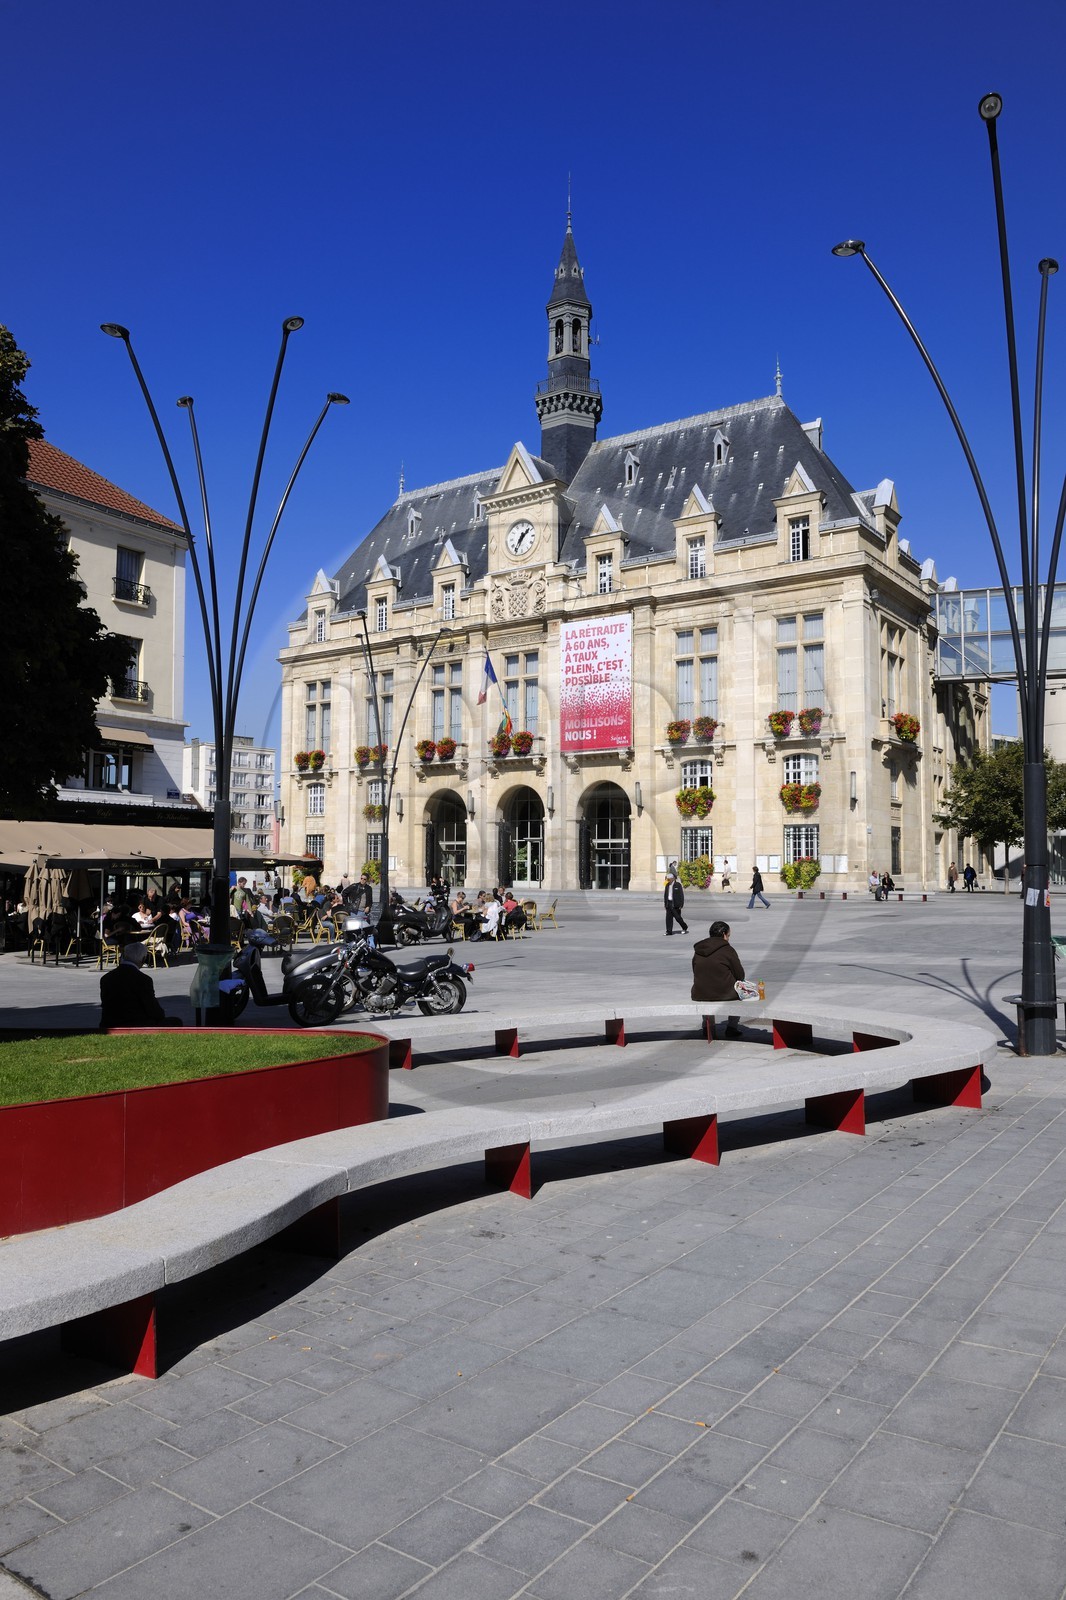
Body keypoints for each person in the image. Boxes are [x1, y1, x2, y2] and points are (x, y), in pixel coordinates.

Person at [100, 940, 183, 1029]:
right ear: (143, 959)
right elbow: (154, 1010)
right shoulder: (143, 979)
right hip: (136, 1024)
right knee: (176, 1021)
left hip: (109, 1024)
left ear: (123, 956)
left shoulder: (106, 978)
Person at [690, 919, 746, 1038]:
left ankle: (707, 1027)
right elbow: (740, 974)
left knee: (705, 990)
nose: (729, 938)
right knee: (740, 989)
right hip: (726, 993)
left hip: (700, 993)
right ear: (724, 935)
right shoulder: (728, 950)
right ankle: (732, 1027)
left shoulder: (698, 950)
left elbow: (695, 970)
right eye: (729, 935)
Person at [664, 863, 688, 935]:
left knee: (678, 918)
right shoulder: (667, 885)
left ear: (673, 878)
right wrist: (665, 904)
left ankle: (684, 927)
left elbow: (681, 895)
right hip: (669, 903)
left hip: (676, 904)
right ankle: (669, 931)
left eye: (670, 878)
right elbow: (665, 895)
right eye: (668, 878)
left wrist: (681, 904)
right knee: (668, 919)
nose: (669, 879)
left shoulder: (678, 885)